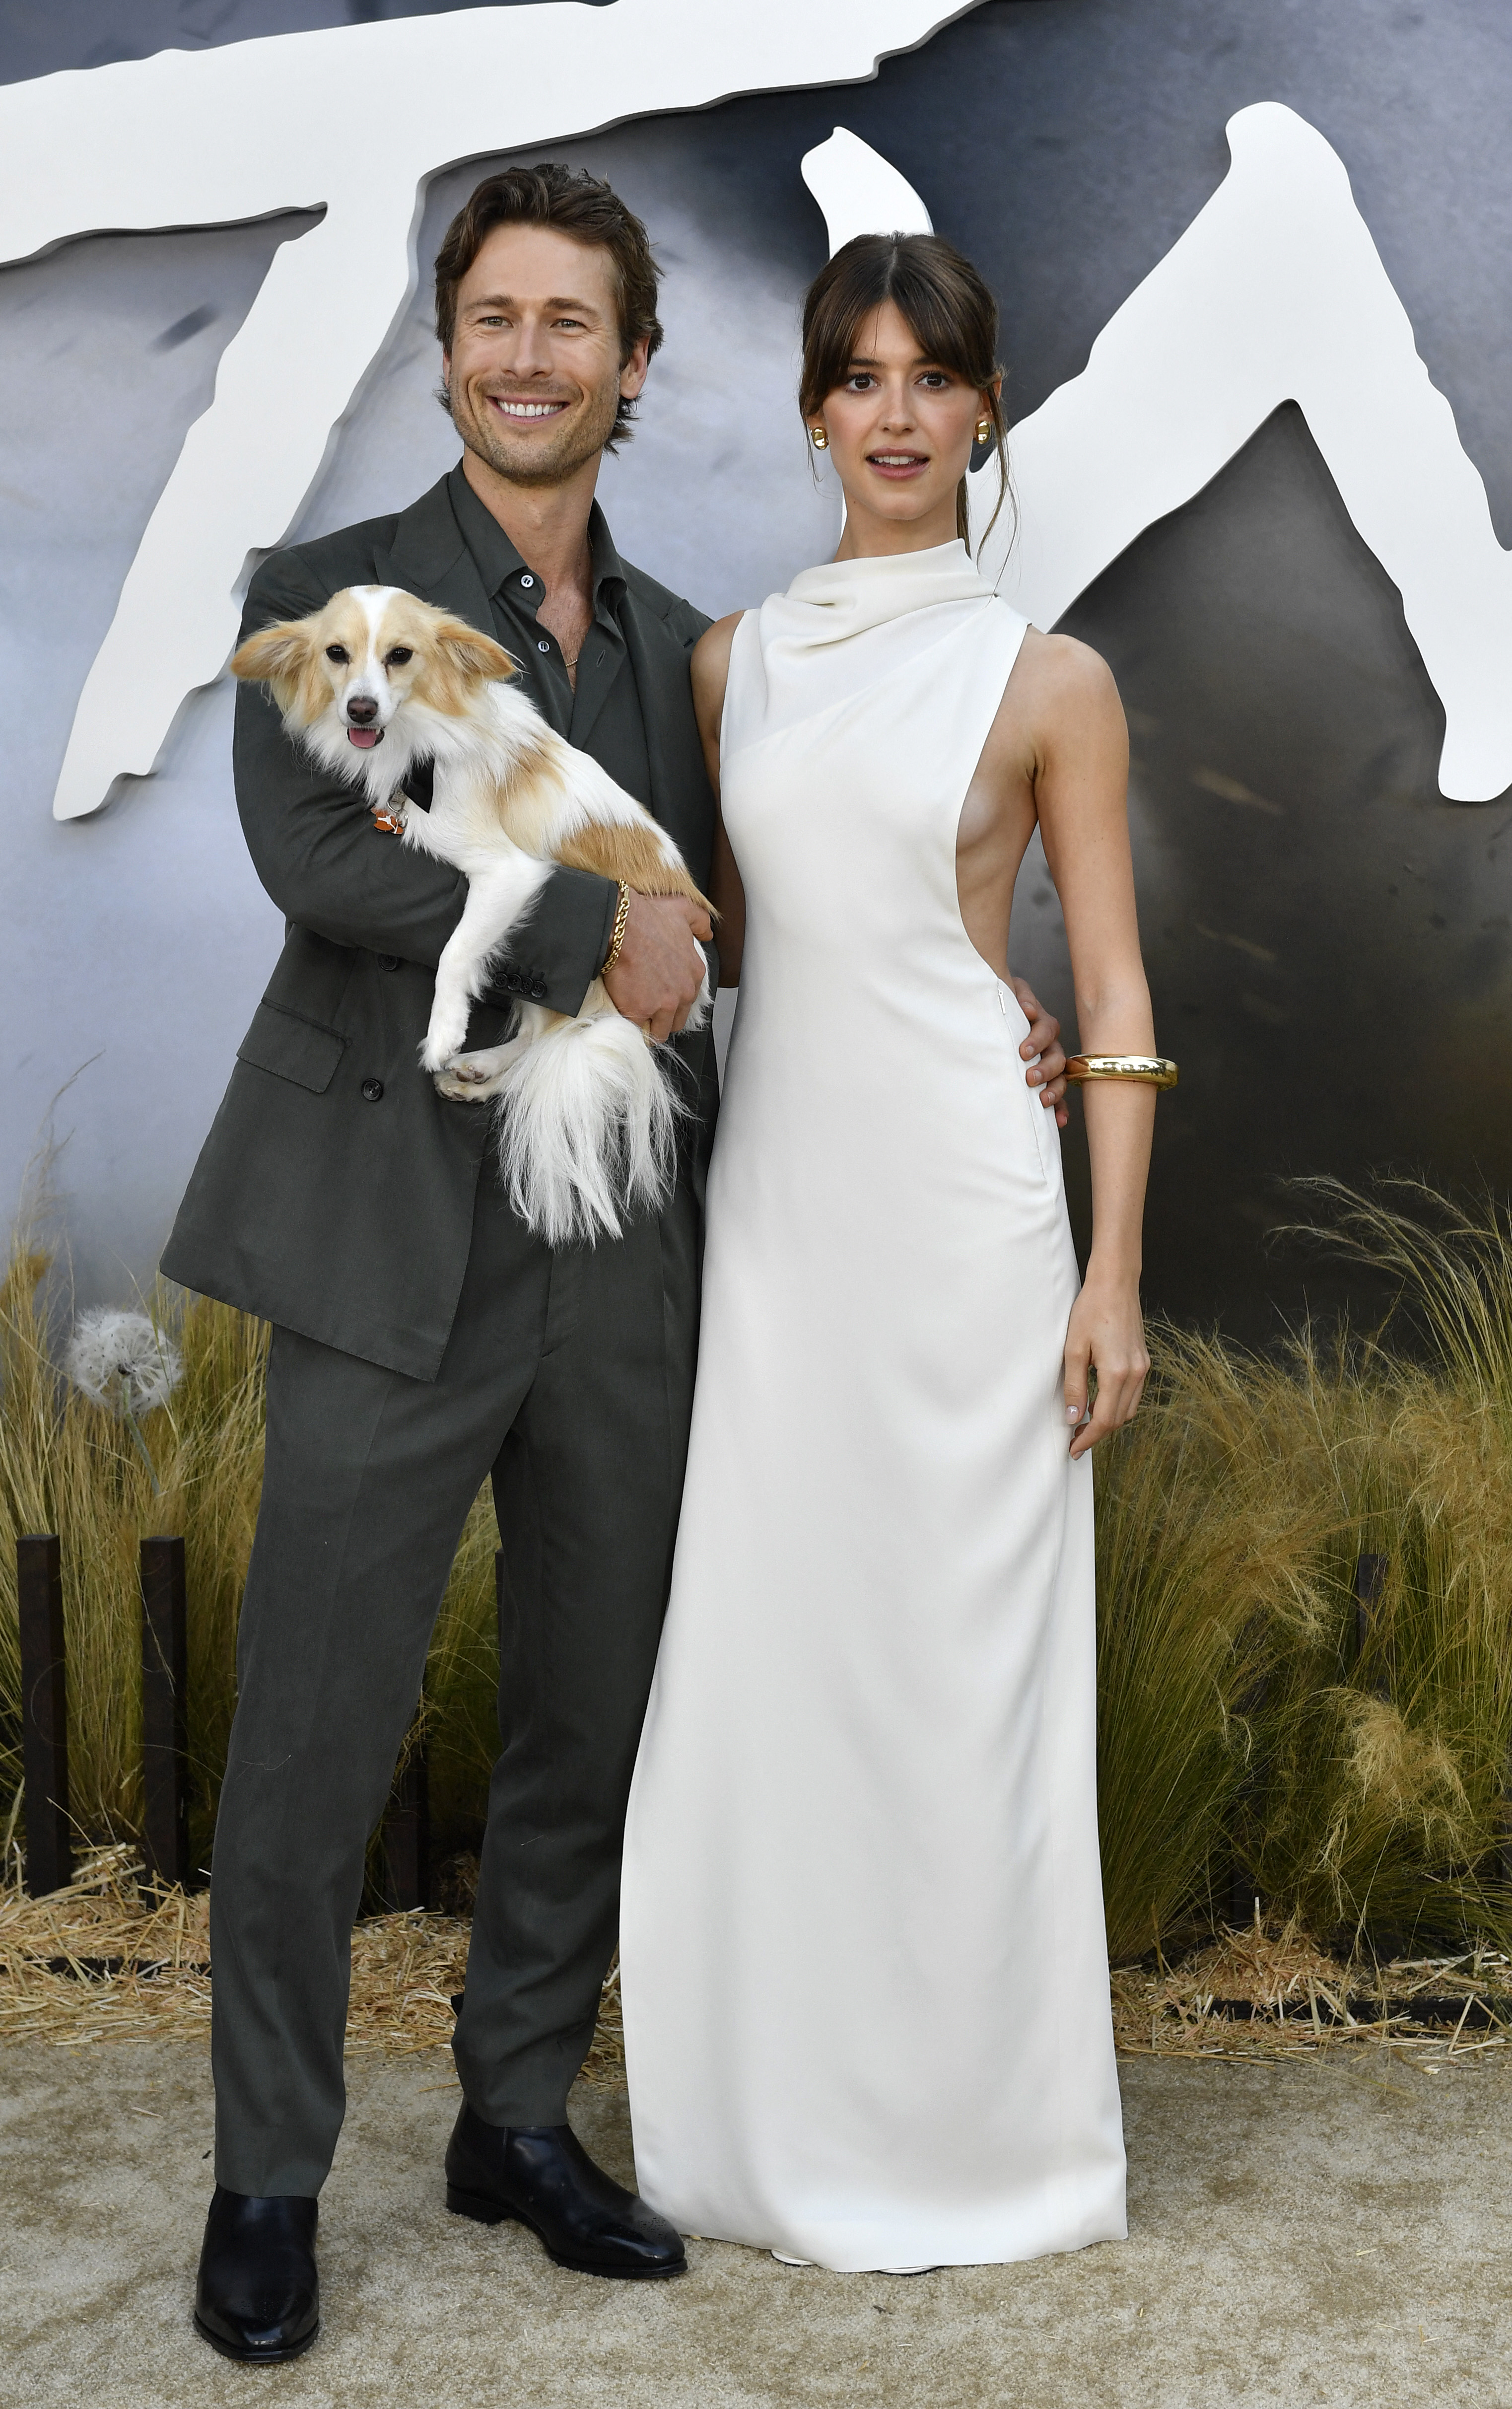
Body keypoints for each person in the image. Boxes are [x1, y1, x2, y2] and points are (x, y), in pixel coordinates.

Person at [163, 166, 1071, 2359]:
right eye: (495, 316)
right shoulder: (327, 595)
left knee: (592, 1707)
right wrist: (597, 930)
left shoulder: (692, 650)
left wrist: (984, 1021)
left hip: (633, 1253)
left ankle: (512, 2113)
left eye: (576, 322)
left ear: (637, 365)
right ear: (450, 342)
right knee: (309, 1731)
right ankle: (269, 2175)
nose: (530, 354)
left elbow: (786, 912)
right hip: (383, 1243)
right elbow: (325, 860)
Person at [620, 231, 1159, 2272]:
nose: (899, 412)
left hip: (965, 1222)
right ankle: (761, 2128)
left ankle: (980, 2147)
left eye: (934, 375)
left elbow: (1104, 981)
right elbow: (748, 944)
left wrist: (1108, 1273)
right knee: (779, 1661)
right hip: (782, 1220)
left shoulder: (1051, 680)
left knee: (959, 1679)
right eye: (860, 374)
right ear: (813, 409)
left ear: (984, 405)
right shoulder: (722, 663)